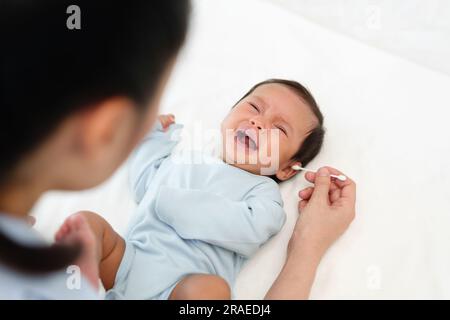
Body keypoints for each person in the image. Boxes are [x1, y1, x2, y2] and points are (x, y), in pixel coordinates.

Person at [0, 0, 356, 300]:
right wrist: (153, 138)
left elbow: (244, 229)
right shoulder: (186, 161)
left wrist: (170, 200)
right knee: (90, 226)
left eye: (279, 128)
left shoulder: (264, 195)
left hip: (181, 288)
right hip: (128, 262)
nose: (260, 123)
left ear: (286, 169)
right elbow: (144, 180)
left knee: (210, 290)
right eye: (253, 108)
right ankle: (80, 274)